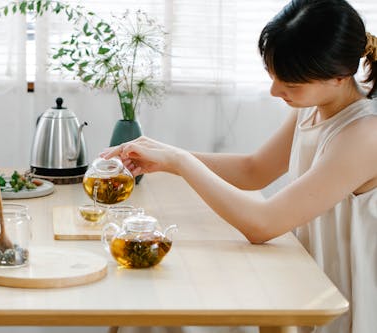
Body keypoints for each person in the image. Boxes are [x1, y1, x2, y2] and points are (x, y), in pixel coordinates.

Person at [101, 0, 377, 332]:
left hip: (345, 292)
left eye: (290, 84)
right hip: (308, 277)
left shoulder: (364, 134)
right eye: (273, 76)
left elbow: (262, 224)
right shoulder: (314, 106)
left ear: (339, 76)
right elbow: (254, 170)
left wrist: (180, 161)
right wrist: (165, 156)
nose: (275, 91)